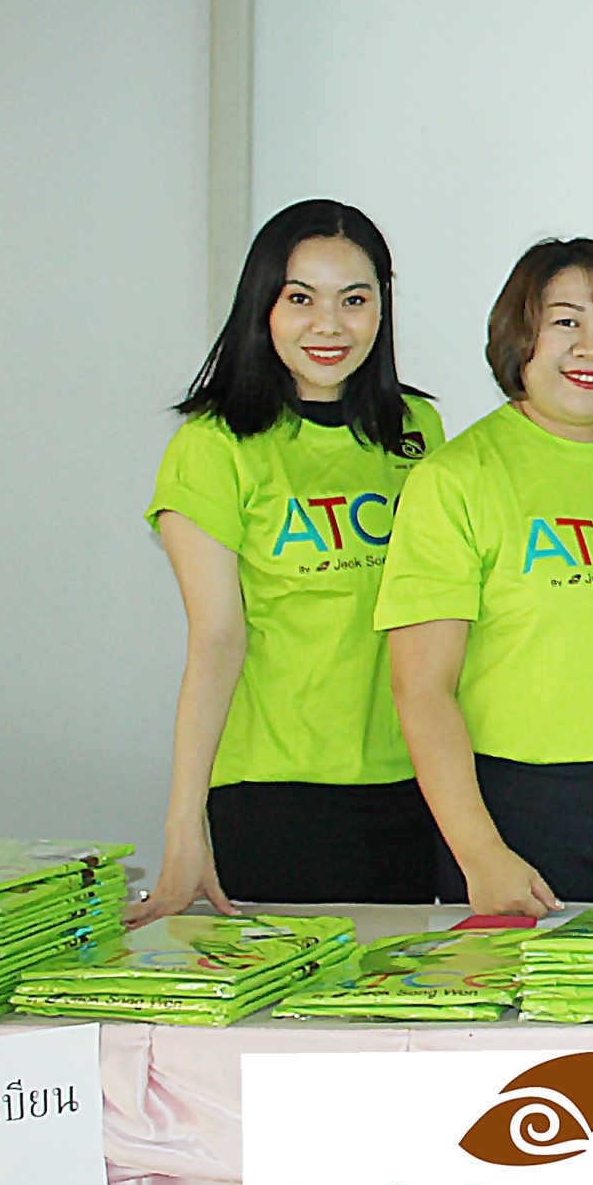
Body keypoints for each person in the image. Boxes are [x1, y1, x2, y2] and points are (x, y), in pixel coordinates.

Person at [379, 239, 593, 914]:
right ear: (520, 335)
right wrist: (480, 852)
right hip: (517, 811)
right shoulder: (454, 478)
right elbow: (422, 688)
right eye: (566, 321)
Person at [140, 199, 442, 920]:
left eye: (354, 300)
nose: (329, 325)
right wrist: (184, 823)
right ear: (262, 305)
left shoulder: (417, 429)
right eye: (301, 298)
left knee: (397, 989)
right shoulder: (213, 446)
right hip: (273, 790)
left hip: (413, 783)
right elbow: (216, 639)